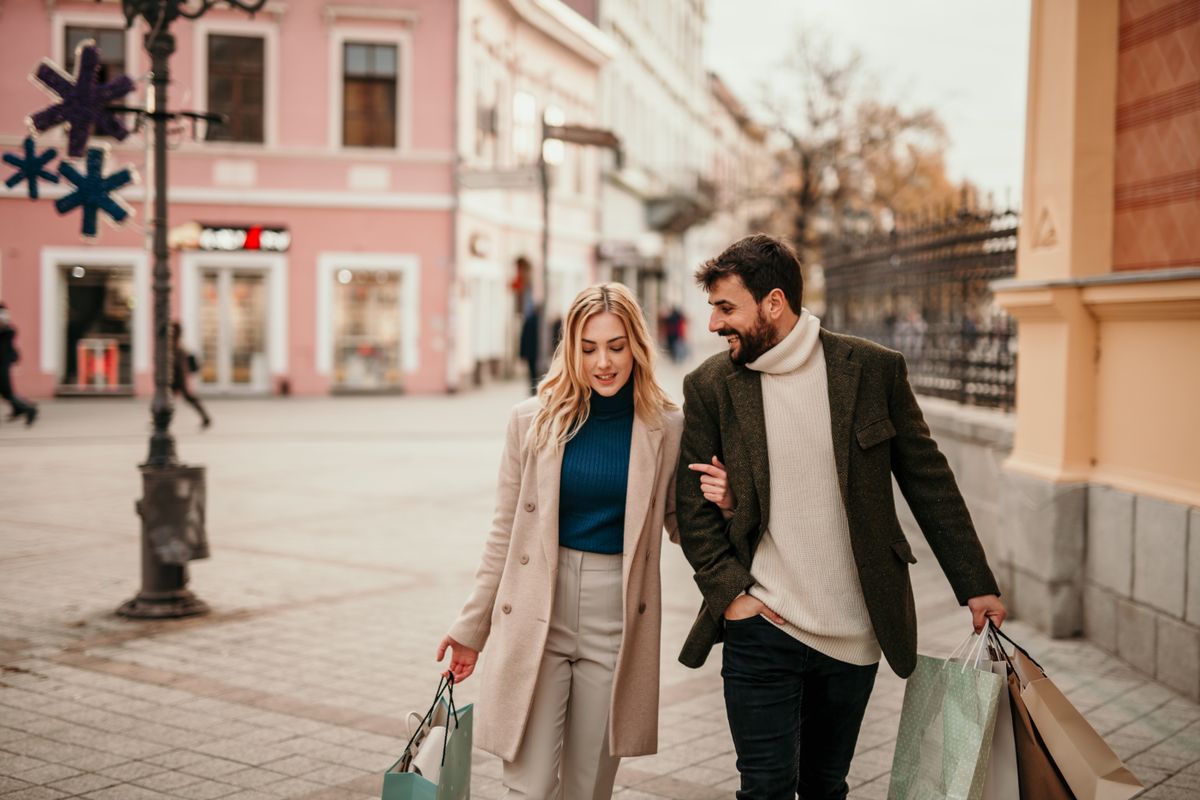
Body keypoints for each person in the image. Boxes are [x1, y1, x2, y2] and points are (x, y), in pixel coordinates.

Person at [676, 234, 1006, 800]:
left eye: (726, 308)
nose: (712, 323)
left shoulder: (873, 371)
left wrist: (974, 585)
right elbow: (693, 510)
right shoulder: (711, 386)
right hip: (762, 625)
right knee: (765, 789)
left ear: (773, 303)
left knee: (826, 786)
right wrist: (734, 597)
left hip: (853, 630)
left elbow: (929, 482)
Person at [438, 283, 684, 799]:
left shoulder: (667, 426)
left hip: (615, 612)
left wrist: (724, 500)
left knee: (586, 787)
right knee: (527, 787)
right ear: (570, 349)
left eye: (616, 346)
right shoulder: (532, 420)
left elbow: (682, 524)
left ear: (637, 345)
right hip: (535, 606)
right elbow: (504, 530)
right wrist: (471, 628)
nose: (603, 363)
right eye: (589, 348)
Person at [0, 303, 38, 427]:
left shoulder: (7, 331)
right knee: (6, 391)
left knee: (7, 391)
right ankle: (19, 409)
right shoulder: (8, 330)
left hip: (2, 362)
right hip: (4, 361)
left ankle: (29, 409)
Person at [170, 322, 210, 429]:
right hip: (177, 377)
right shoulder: (178, 345)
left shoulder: (176, 346)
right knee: (172, 398)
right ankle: (205, 417)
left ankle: (205, 417)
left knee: (184, 398)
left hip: (178, 377)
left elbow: (179, 363)